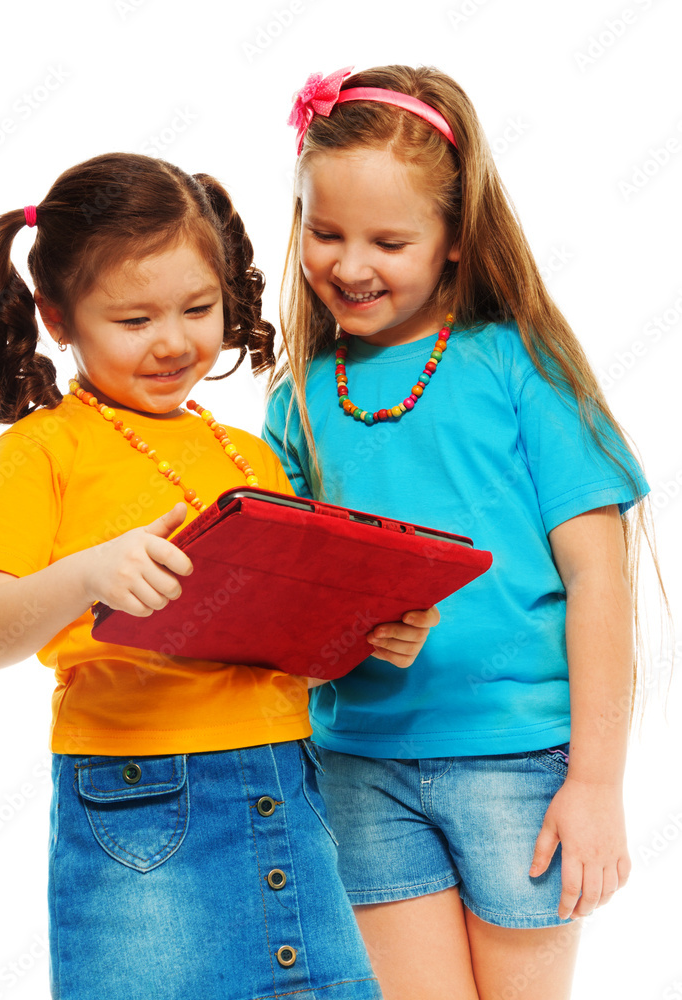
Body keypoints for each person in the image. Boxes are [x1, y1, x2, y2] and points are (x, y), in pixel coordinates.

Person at [0, 152, 436, 1000]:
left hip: (286, 782)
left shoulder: (252, 457)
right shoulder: (40, 452)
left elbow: (293, 654)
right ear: (59, 317)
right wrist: (87, 573)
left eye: (198, 309)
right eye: (133, 320)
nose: (173, 341)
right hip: (142, 799)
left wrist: (365, 634)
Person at [263, 65, 652, 1000]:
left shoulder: (520, 366)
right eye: (325, 233)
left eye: (388, 240)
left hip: (519, 760)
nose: (349, 265)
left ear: (452, 241)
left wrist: (597, 786)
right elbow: (290, 609)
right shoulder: (300, 401)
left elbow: (601, 582)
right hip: (359, 765)